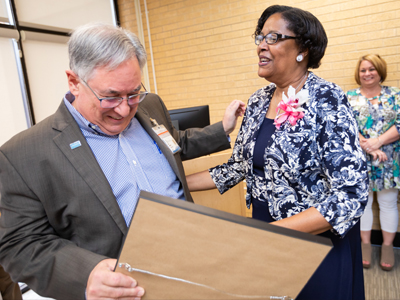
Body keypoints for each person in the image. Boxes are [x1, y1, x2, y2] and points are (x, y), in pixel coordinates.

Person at [0, 23, 245, 300]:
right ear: (73, 82)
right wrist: (86, 274)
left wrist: (222, 128)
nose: (124, 109)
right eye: (111, 96)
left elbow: (173, 143)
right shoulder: (22, 154)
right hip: (125, 291)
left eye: (133, 94)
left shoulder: (150, 105)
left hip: (195, 266)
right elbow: (20, 245)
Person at [187, 5, 368, 300]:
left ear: (303, 49)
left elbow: (351, 194)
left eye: (273, 37)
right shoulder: (258, 101)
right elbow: (238, 168)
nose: (261, 45)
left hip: (314, 243)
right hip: (265, 236)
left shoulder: (328, 99)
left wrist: (272, 232)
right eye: (259, 37)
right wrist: (172, 181)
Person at [346, 54, 400, 271]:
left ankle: (387, 246)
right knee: (363, 203)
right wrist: (368, 146)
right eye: (363, 70)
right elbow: (344, 125)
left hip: (390, 158)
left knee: (387, 203)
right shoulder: (348, 97)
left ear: (380, 71)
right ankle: (365, 245)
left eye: (372, 69)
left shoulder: (396, 95)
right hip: (359, 158)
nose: (367, 73)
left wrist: (377, 142)